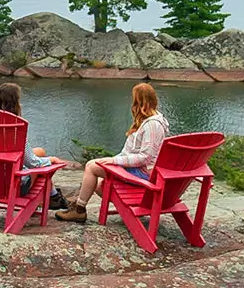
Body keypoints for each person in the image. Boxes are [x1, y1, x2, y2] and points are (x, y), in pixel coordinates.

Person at [57, 83, 168, 222]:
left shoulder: (153, 125)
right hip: (138, 170)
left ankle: (79, 210)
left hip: (143, 173)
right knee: (98, 185)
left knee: (91, 166)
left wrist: (115, 161)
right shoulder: (148, 120)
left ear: (138, 102)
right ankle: (127, 208)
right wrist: (115, 160)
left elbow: (145, 158)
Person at [0, 83, 68, 206]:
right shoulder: (16, 129)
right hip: (13, 185)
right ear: (15, 103)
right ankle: (54, 197)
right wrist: (52, 159)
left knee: (40, 151)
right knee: (42, 165)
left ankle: (53, 196)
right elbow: (33, 163)